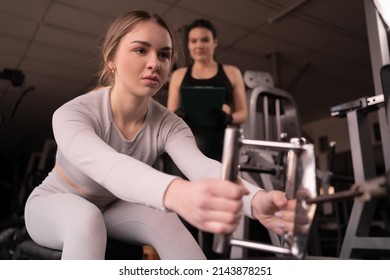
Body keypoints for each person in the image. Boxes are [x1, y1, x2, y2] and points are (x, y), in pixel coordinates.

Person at [24, 10, 296, 260]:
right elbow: (109, 167)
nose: (155, 63)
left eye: (164, 55)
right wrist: (175, 192)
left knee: (163, 217)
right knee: (85, 219)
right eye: (141, 50)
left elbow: (204, 169)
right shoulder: (73, 114)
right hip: (53, 206)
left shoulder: (169, 124)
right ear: (111, 61)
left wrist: (257, 201)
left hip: (112, 209)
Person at [166, 18, 248, 258]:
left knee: (216, 216)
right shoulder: (180, 75)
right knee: (186, 217)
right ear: (189, 46)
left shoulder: (231, 72)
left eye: (204, 40)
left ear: (215, 43)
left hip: (219, 149)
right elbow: (169, 113)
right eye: (193, 41)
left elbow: (243, 112)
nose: (198, 45)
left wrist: (228, 117)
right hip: (185, 150)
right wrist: (180, 114)